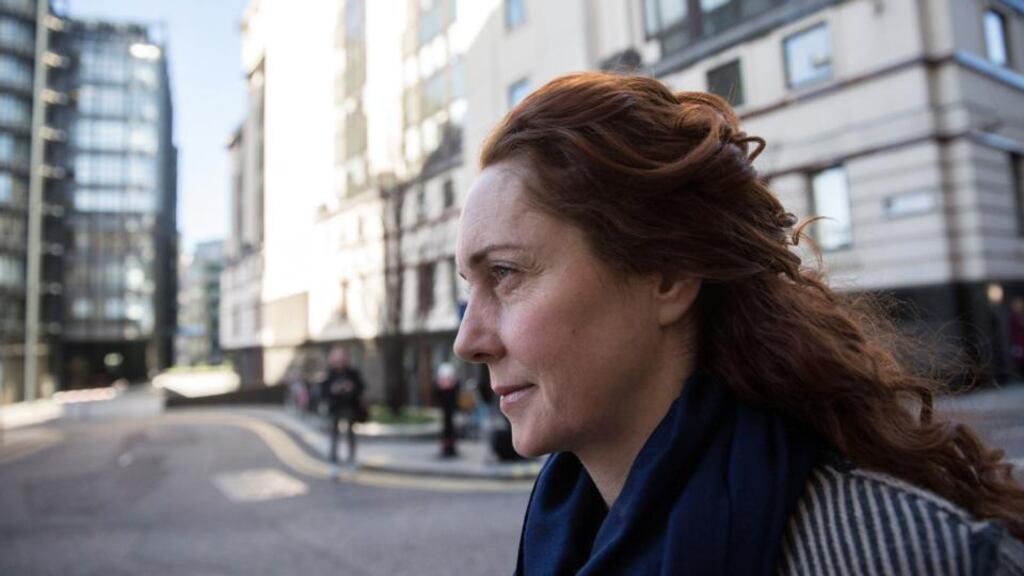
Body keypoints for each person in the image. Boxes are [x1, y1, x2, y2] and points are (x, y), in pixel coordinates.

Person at [453, 72, 1024, 575]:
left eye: (504, 273)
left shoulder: (908, 555)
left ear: (668, 274)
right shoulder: (558, 534)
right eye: (468, 286)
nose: (466, 341)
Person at [317, 346, 365, 465]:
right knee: (334, 434)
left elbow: (361, 387)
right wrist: (333, 389)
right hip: (335, 408)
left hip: (350, 407)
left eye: (342, 358)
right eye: (337, 358)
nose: (340, 361)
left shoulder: (352, 373)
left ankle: (351, 459)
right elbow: (322, 392)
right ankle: (333, 460)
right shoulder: (329, 374)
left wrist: (351, 387)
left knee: (350, 434)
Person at [435, 362, 460, 458]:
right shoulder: (442, 392)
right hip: (445, 410)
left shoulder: (453, 390)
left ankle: (451, 446)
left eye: (448, 379)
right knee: (446, 427)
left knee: (451, 426)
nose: (446, 382)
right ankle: (446, 446)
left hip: (450, 410)